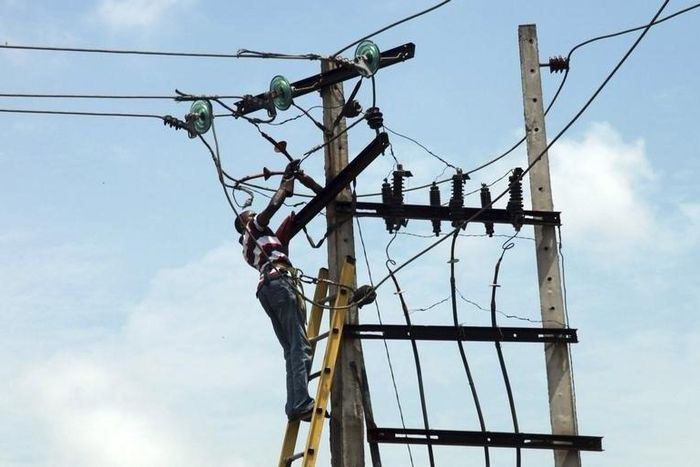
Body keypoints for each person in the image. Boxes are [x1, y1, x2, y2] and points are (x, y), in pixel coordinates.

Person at [234, 159, 321, 422]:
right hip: (280, 283)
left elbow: (283, 226)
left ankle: (295, 404)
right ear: (246, 222)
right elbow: (273, 206)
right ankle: (300, 403)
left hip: (269, 289)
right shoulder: (254, 229)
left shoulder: (257, 246)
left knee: (292, 349)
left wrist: (292, 181)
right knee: (300, 346)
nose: (255, 215)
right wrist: (286, 183)